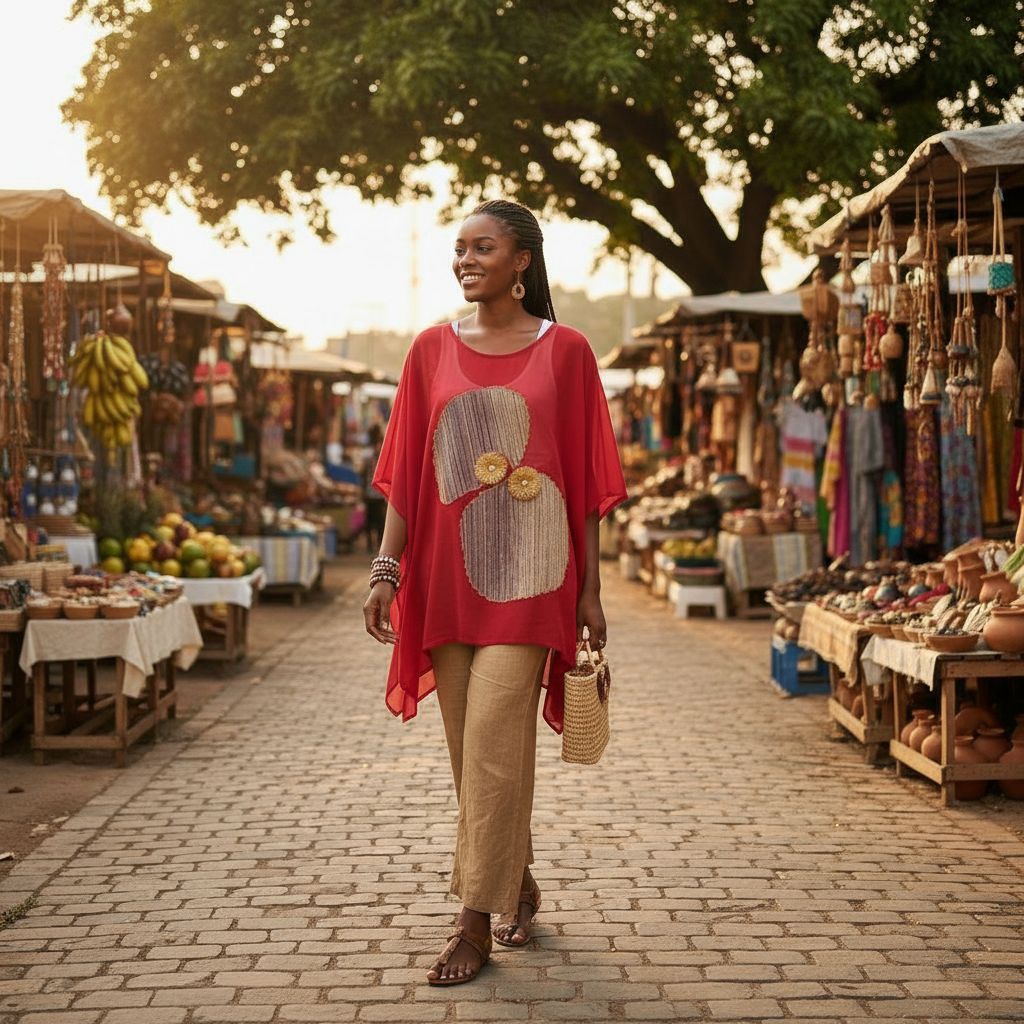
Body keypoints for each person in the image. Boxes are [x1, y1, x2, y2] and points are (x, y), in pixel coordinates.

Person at [363, 199, 626, 986]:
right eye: (459, 248)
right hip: (446, 580)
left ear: (522, 262)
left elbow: (583, 481)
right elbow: (407, 470)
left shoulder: (569, 351)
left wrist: (592, 588)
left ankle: (471, 921)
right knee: (473, 758)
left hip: (537, 580)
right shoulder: (428, 350)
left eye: (484, 247)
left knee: (491, 745)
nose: (466, 259)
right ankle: (516, 879)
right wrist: (385, 568)